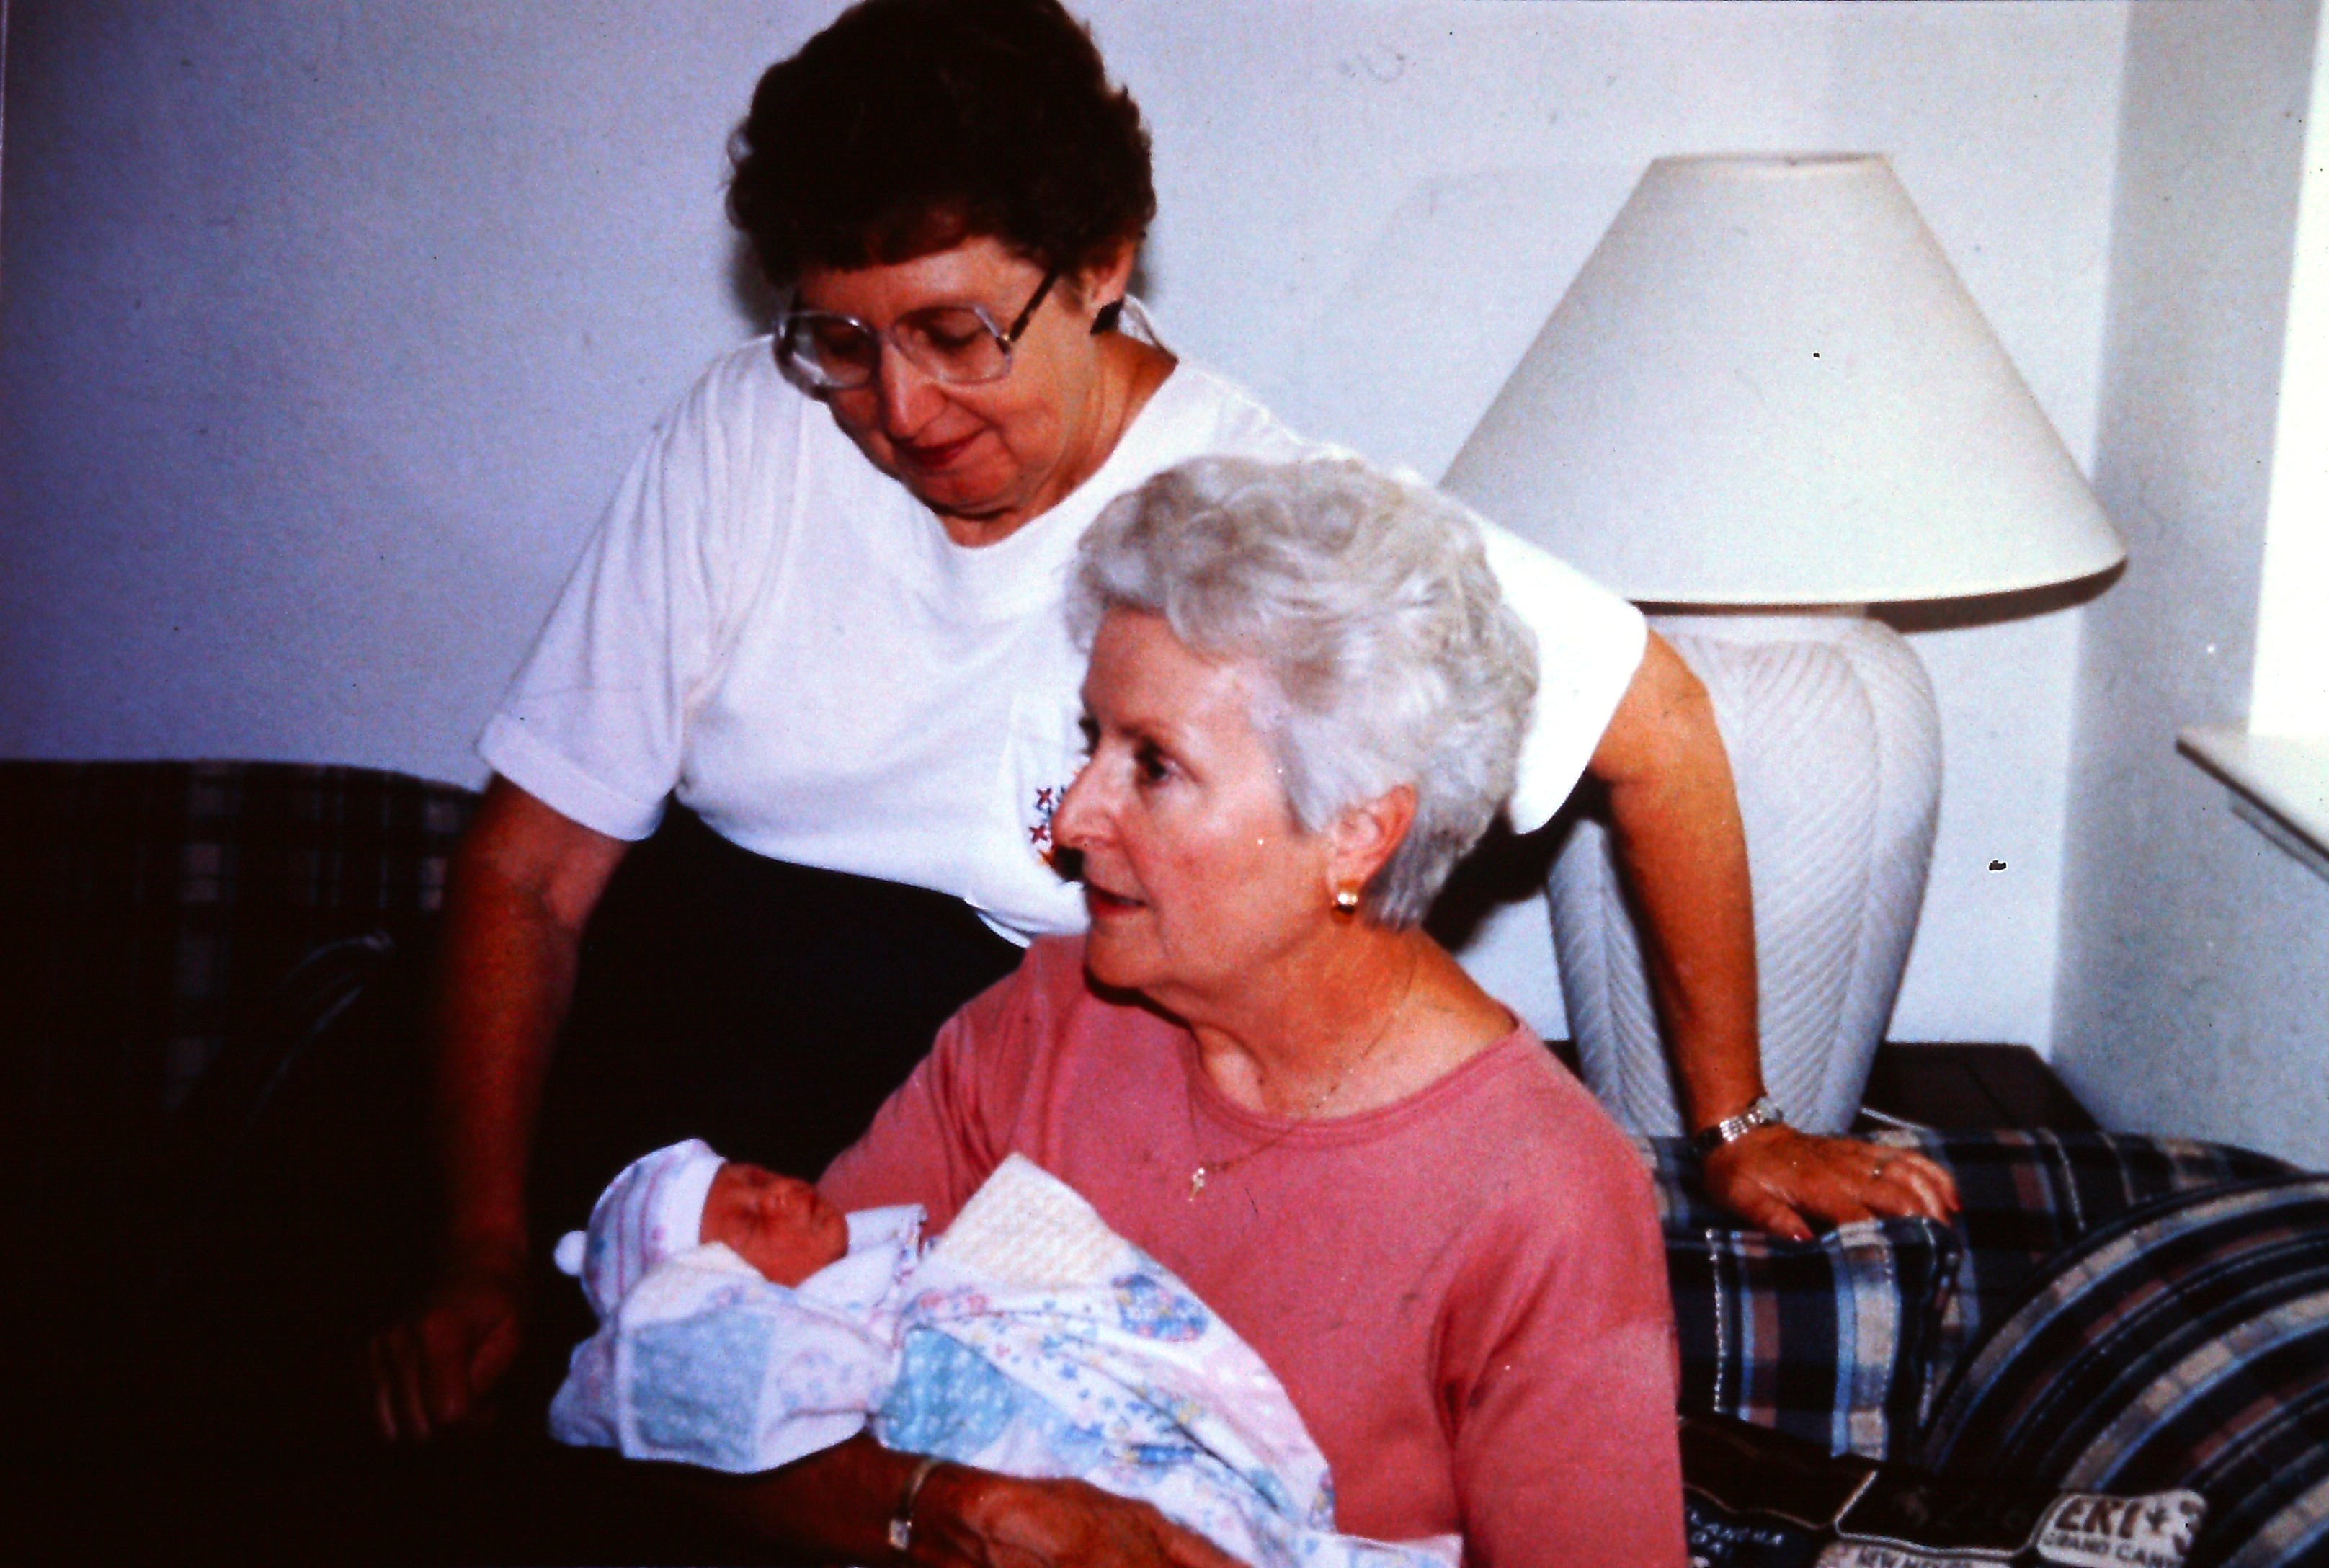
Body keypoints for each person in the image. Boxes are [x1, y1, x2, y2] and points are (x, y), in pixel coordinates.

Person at [370, 0, 1954, 1446]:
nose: (899, 409)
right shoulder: (746, 431)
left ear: (1101, 263)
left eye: (955, 333)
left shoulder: (1249, 507)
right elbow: (528, 875)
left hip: (946, 1127)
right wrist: (479, 1242)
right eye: (842, 340)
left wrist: (1740, 1121)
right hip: (651, 1110)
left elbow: (1656, 715)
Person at [691, 454, 1685, 1567]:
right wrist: (951, 1510)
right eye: (1093, 742)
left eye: (1154, 765)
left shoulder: (1545, 1194)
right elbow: (708, 1407)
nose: (1071, 820)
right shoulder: (1043, 1024)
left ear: (1357, 833)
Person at [546, 1139, 1458, 1568]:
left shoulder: (911, 1257)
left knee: (1237, 1528)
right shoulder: (813, 1344)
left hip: (1125, 1441)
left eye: (759, 1174)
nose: (784, 1194)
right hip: (1048, 1488)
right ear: (719, 1297)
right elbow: (639, 1384)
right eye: (749, 1220)